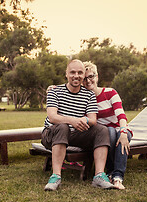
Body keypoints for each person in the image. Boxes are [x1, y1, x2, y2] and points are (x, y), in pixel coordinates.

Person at [42, 59, 115, 191]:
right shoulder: (54, 91)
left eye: (80, 72)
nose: (76, 76)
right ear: (66, 74)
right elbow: (52, 117)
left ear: (83, 75)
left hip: (74, 135)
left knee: (101, 130)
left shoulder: (89, 95)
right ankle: (55, 177)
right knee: (63, 126)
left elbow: (93, 119)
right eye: (73, 72)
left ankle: (99, 175)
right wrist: (72, 120)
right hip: (51, 134)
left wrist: (84, 121)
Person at [82, 61, 132, 190]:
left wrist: (123, 133)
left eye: (91, 76)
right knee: (108, 132)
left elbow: (121, 116)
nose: (88, 81)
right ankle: (110, 172)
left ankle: (117, 177)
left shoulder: (110, 93)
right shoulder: (83, 99)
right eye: (84, 78)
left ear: (97, 76)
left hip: (121, 128)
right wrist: (54, 87)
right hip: (103, 134)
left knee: (117, 135)